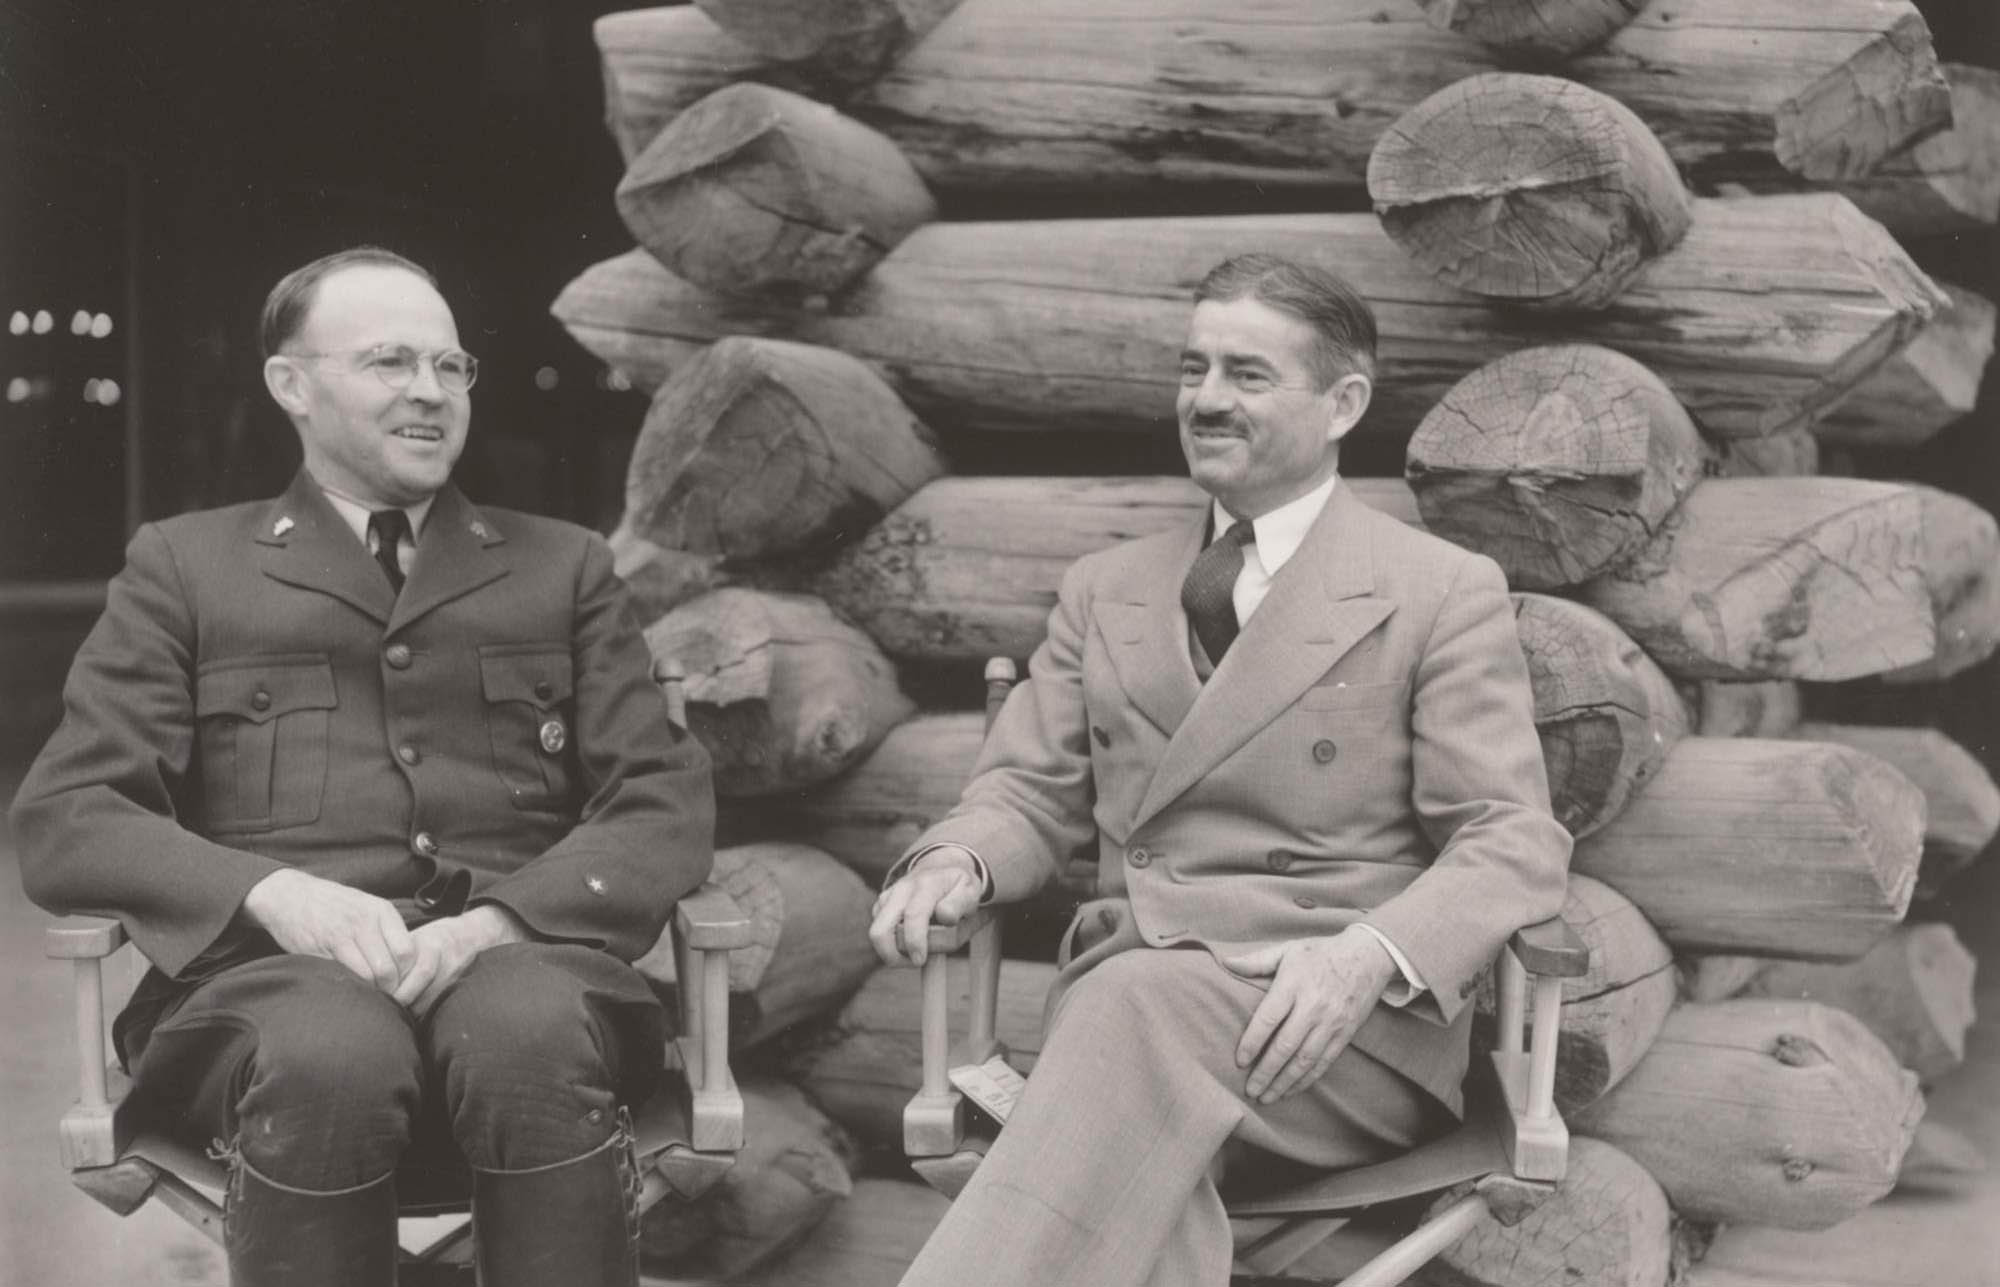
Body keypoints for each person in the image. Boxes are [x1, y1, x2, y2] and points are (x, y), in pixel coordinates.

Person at [12, 246, 714, 1287]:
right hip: (266, 1009)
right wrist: (273, 893)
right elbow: (70, 813)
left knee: (524, 1028)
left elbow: (660, 800)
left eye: (451, 366)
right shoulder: (187, 568)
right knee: (330, 1047)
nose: (430, 393)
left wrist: (503, 921)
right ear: (291, 385)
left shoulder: (560, 566)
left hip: (533, 989)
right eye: (390, 362)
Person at [868, 253, 1573, 1287]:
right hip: (1139, 999)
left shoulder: (1434, 590)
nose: (1203, 400)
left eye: (1245, 375)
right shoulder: (1104, 588)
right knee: (1137, 1113)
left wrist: (1367, 956)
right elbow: (1025, 789)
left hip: (1338, 1033)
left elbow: (1509, 838)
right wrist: (959, 862)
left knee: (1124, 1021)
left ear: (1341, 405)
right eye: (1191, 370)